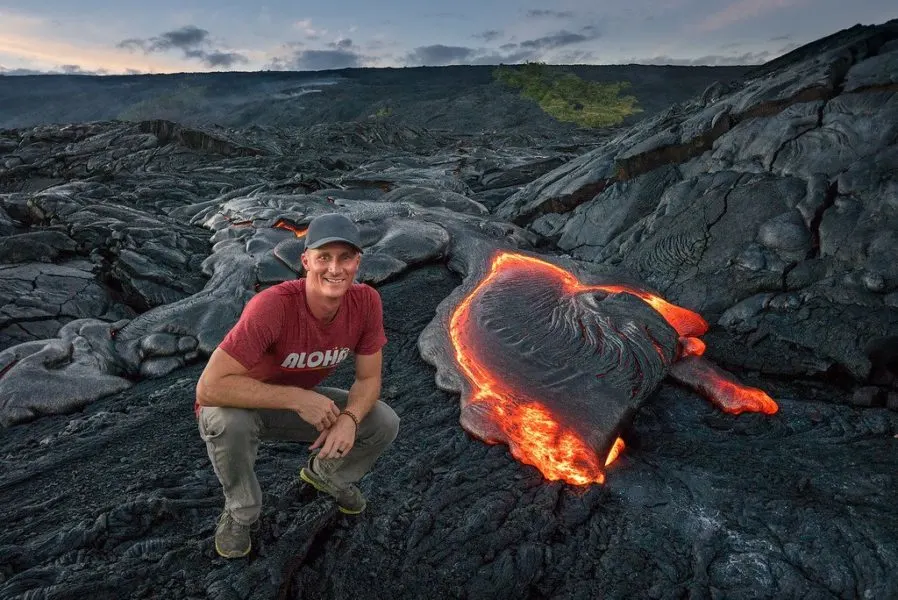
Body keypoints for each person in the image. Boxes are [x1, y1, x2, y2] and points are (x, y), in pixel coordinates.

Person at [194, 213, 399, 559]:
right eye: (324, 257)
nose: (335, 268)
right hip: (236, 403)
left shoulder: (366, 303)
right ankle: (241, 512)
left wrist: (348, 418)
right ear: (305, 261)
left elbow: (368, 379)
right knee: (229, 422)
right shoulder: (273, 306)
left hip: (292, 406)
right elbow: (208, 388)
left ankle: (327, 476)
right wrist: (296, 397)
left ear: (358, 263)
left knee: (381, 422)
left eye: (345, 257)